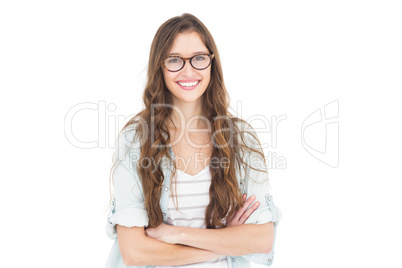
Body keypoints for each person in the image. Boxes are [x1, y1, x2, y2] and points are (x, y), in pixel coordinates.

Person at [105, 13, 282, 268]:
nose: (188, 70)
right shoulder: (135, 139)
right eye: (175, 60)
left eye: (199, 58)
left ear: (212, 63)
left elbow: (262, 239)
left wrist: (177, 234)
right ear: (160, 66)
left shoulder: (241, 139)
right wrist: (222, 241)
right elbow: (134, 251)